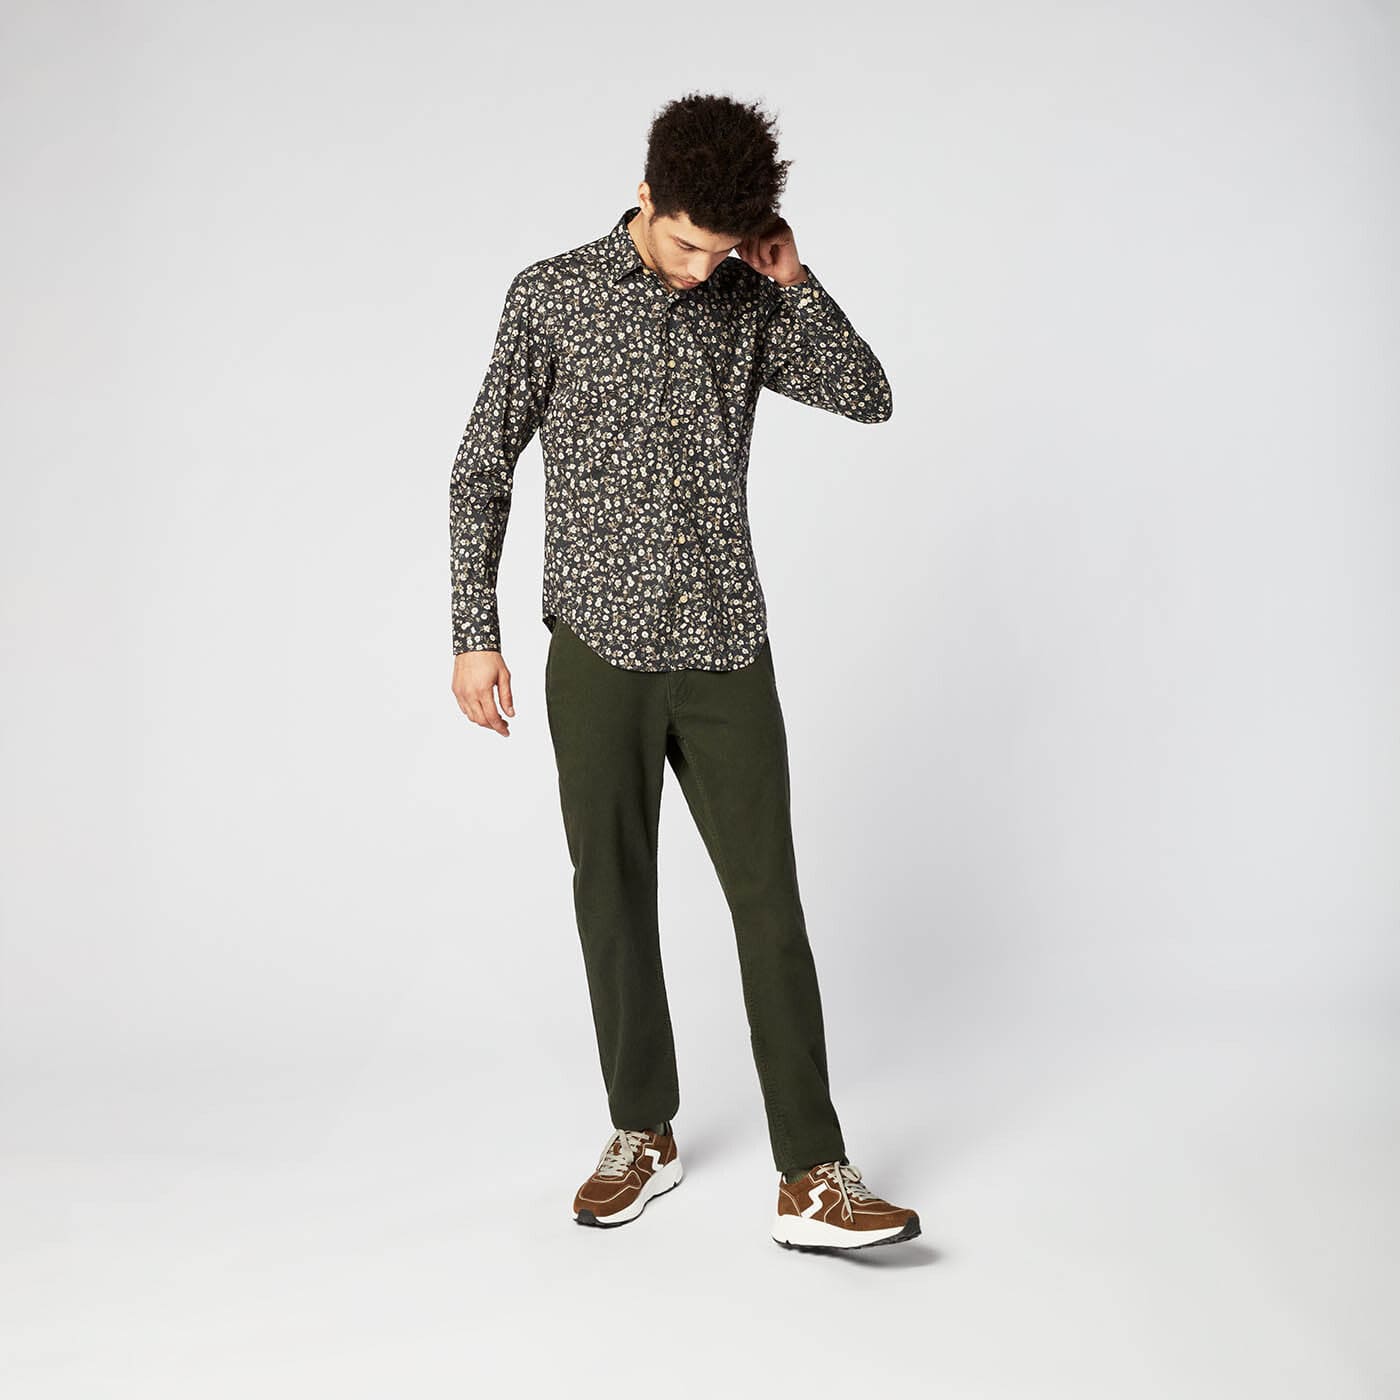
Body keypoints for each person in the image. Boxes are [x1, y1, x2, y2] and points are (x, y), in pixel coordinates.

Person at [449, 92, 919, 1252]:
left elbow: (868, 397)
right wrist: (473, 630)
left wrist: (794, 280)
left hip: (722, 646)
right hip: (596, 648)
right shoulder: (551, 295)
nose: (704, 268)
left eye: (724, 248)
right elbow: (481, 465)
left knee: (769, 903)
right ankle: (640, 1130)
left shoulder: (750, 296)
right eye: (687, 242)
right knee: (610, 894)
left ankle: (812, 1175)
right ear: (645, 194)